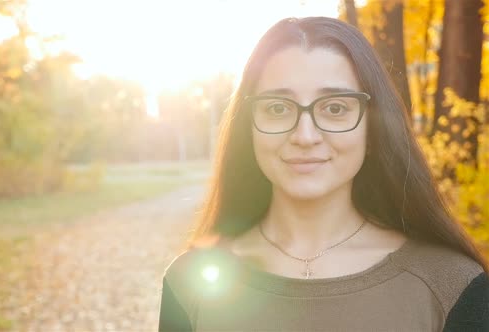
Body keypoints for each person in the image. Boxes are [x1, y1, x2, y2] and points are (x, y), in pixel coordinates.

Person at [158, 16, 489, 331]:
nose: (305, 136)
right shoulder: (190, 283)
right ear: (249, 129)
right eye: (277, 108)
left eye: (334, 108)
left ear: (372, 130)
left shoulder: (452, 285)